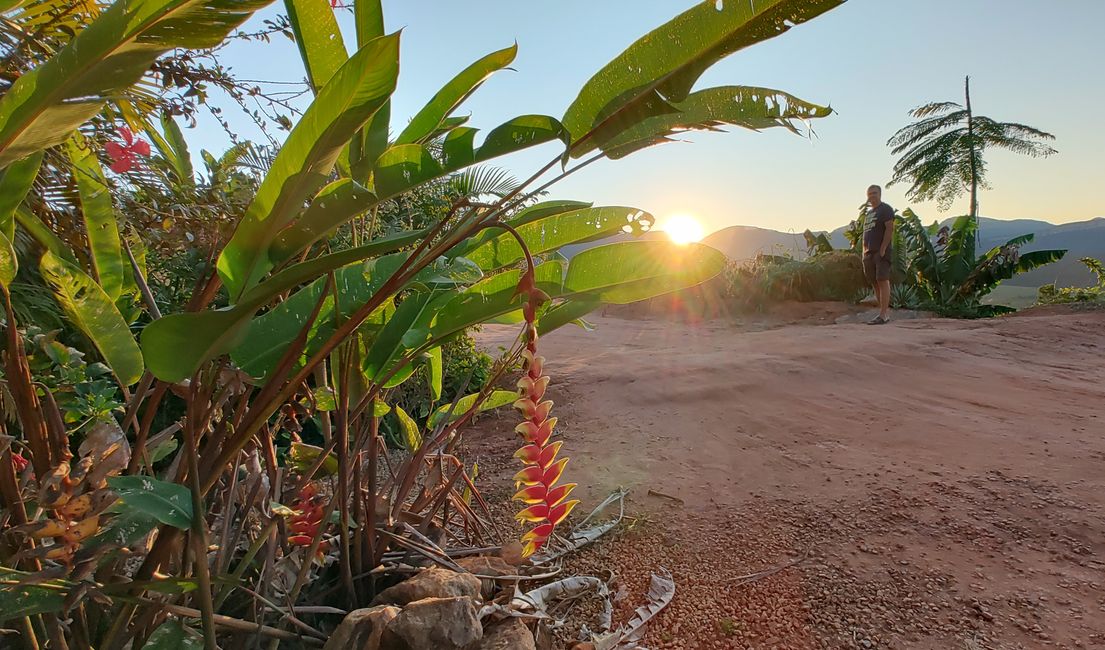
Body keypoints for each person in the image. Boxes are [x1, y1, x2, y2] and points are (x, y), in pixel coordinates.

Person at [862, 184, 894, 325]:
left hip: (880, 252)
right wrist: (864, 252)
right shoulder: (869, 214)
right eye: (869, 194)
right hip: (868, 253)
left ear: (880, 194)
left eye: (874, 193)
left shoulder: (885, 209)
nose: (872, 196)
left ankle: (884, 314)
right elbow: (866, 234)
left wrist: (883, 248)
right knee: (874, 282)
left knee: (882, 280)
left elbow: (889, 229)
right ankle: (882, 312)